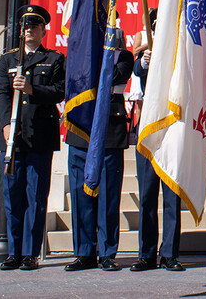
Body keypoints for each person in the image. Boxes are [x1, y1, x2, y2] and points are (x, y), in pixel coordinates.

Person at [0, 4, 65, 271]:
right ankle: (13, 251)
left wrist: (32, 88)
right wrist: (5, 125)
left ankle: (30, 253)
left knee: (35, 196)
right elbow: (0, 94)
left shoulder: (54, 59)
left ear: (43, 31)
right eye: (26, 27)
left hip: (39, 136)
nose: (29, 31)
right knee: (12, 195)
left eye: (34, 27)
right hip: (13, 137)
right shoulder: (8, 60)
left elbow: (59, 91)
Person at [63, 27, 134, 272]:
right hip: (81, 131)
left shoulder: (123, 57)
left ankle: (107, 252)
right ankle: (84, 252)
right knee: (81, 195)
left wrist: (97, 58)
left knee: (108, 196)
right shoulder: (76, 57)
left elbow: (113, 76)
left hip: (110, 133)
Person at [127, 10, 186, 272]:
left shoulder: (181, 52)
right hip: (150, 131)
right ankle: (147, 253)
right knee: (148, 195)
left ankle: (170, 253)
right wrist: (145, 61)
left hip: (173, 129)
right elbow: (138, 71)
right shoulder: (146, 55)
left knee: (172, 195)